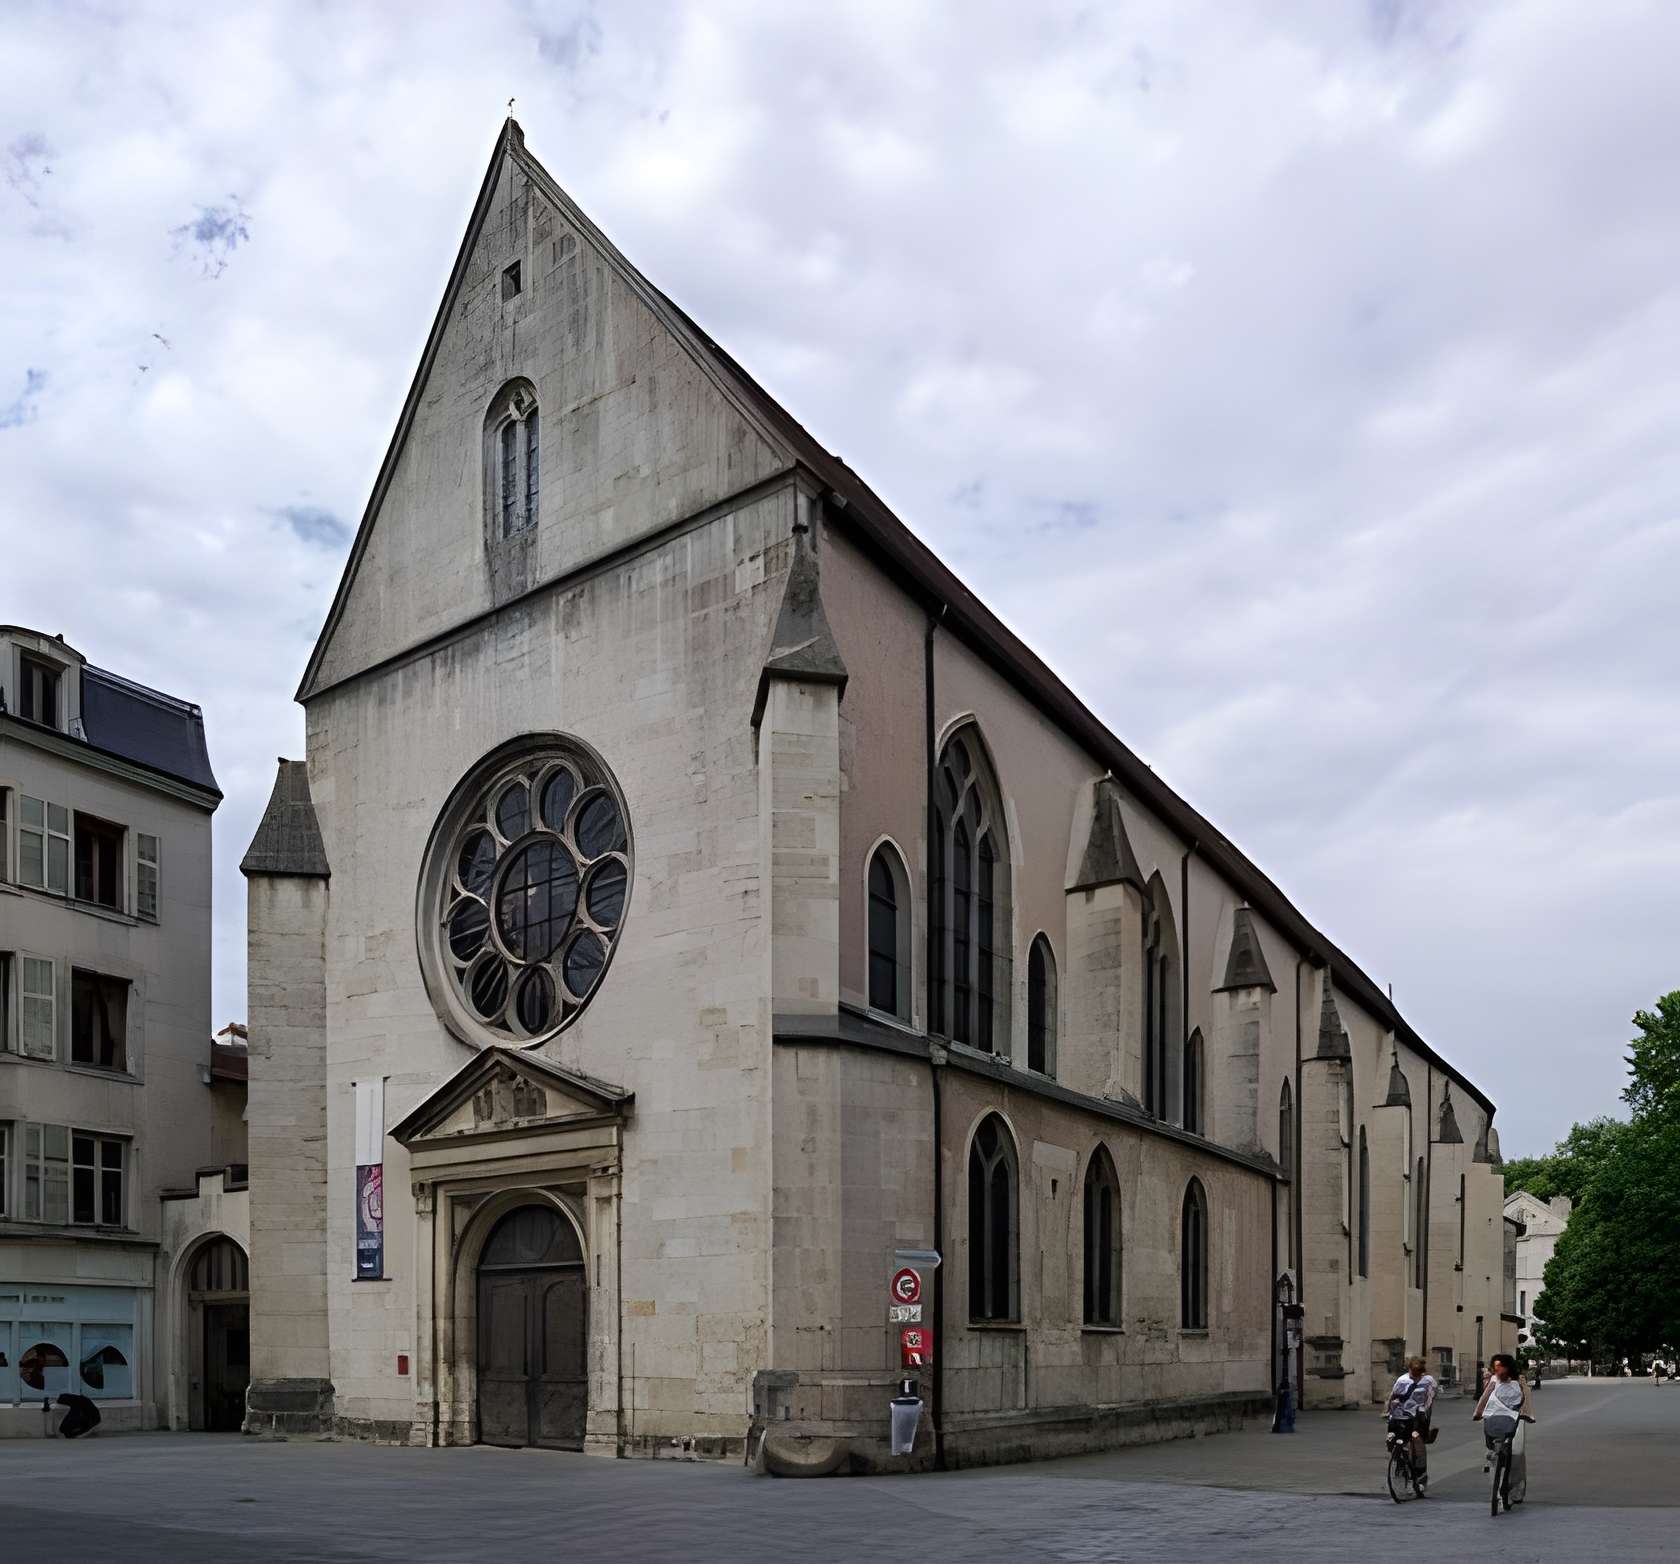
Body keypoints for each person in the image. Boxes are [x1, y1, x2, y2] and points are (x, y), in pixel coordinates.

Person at [1473, 1352, 1535, 1510]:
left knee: (1516, 1454)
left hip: (1516, 1418)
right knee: (1496, 1455)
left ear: (1508, 1368)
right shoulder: (1493, 1380)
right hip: (1495, 1418)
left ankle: (1516, 1488)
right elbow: (1485, 1397)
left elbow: (1525, 1400)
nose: (1497, 1370)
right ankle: (1497, 1491)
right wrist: (1478, 1413)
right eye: (1495, 1367)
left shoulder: (1519, 1380)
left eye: (1500, 1367)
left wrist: (1527, 1415)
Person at [1386, 1355, 1438, 1491]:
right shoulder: (1402, 1380)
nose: (1415, 1375)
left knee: (1416, 1439)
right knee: (1392, 1437)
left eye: (1418, 1372)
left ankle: (1421, 1474)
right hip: (1400, 1415)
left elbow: (1430, 1398)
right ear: (1409, 1369)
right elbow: (1392, 1396)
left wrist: (1424, 1410)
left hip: (1418, 1416)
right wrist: (1387, 1410)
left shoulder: (1429, 1381)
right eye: (1413, 1372)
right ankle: (1398, 1460)